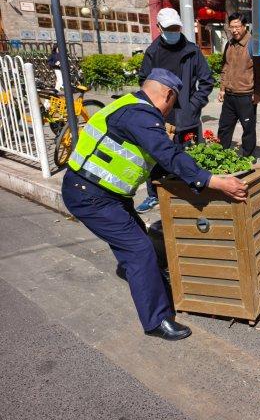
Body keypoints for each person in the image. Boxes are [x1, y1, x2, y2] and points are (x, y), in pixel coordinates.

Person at [62, 68, 248, 341]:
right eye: (173, 104)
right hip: (91, 195)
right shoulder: (141, 114)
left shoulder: (130, 106)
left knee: (140, 243)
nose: (170, 111)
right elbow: (166, 153)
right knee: (139, 250)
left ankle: (149, 281)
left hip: (105, 194)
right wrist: (213, 181)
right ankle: (157, 320)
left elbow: (152, 158)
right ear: (168, 94)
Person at [135, 7, 213, 213]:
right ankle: (154, 195)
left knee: (188, 153)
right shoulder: (153, 52)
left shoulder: (192, 51)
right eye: (169, 28)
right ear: (159, 27)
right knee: (155, 155)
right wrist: (153, 105)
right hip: (159, 114)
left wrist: (193, 105)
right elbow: (144, 80)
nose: (173, 31)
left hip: (186, 114)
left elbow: (207, 81)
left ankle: (189, 190)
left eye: (176, 27)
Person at [217, 12, 260, 157]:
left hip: (246, 96)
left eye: (237, 26)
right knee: (224, 128)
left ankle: (248, 157)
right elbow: (225, 67)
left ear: (244, 26)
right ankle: (220, 156)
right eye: (231, 27)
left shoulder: (253, 44)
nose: (234, 30)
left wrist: (258, 92)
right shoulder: (229, 44)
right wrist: (222, 88)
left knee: (248, 129)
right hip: (229, 95)